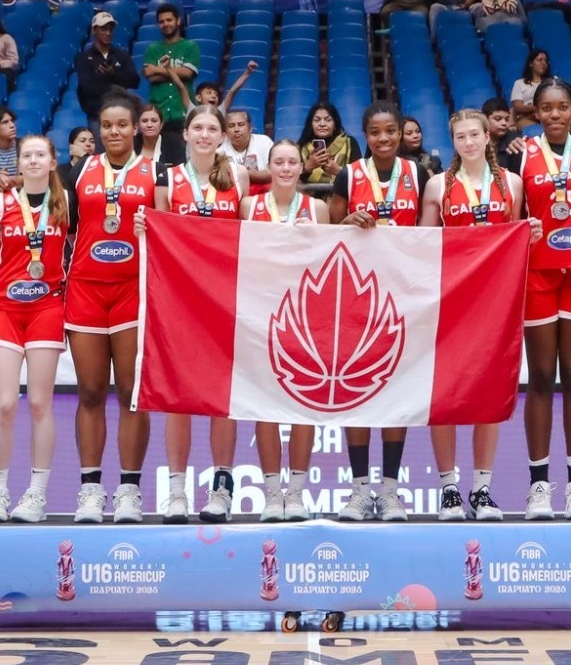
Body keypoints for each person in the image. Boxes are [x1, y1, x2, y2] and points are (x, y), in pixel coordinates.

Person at [419, 109, 522, 523]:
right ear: (453, 142)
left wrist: (528, 234)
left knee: (487, 396)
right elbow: (422, 244)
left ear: (487, 137)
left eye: (474, 135)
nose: (468, 142)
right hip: (451, 302)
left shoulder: (511, 183)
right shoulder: (437, 185)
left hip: (496, 305)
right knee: (444, 397)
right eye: (460, 137)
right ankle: (448, 489)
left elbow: (516, 242)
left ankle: (481, 490)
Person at [507, 79, 571, 522]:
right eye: (546, 108)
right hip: (539, 274)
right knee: (542, 376)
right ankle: (539, 487)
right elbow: (511, 214)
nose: (555, 114)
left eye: (562, 106)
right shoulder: (520, 152)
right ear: (537, 113)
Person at [153, 105, 250, 522]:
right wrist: (144, 228)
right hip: (179, 301)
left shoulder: (238, 176)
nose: (206, 134)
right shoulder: (169, 178)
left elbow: (249, 235)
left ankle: (221, 490)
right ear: (187, 134)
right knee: (178, 397)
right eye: (199, 127)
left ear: (222, 135)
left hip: (225, 299)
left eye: (213, 128)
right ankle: (177, 492)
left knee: (221, 397)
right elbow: (159, 236)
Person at [66, 92, 156, 525]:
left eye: (122, 124)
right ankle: (89, 490)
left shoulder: (156, 171)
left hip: (133, 291)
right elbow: (55, 221)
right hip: (86, 289)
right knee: (90, 392)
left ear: (137, 127)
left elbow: (173, 228)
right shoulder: (79, 170)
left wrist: (151, 227)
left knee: (131, 394)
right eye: (107, 125)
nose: (114, 131)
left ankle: (130, 491)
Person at [329, 101, 422, 521]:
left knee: (394, 393)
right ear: (365, 136)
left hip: (403, 298)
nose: (383, 138)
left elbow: (431, 235)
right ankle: (359, 491)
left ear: (401, 133)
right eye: (375, 132)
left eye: (390, 131)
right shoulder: (348, 175)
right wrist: (347, 221)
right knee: (357, 391)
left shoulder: (419, 173)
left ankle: (389, 492)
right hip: (356, 299)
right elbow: (328, 237)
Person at [0, 135, 67, 525]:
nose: (33, 160)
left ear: (52, 162)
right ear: (18, 163)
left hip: (47, 308)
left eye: (40, 155)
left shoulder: (67, 203)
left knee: (39, 404)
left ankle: (36, 494)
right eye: (27, 155)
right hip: (5, 308)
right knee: (4, 404)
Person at [251, 140, 323, 521]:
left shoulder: (318, 208)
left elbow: (330, 264)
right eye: (278, 162)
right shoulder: (249, 207)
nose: (285, 168)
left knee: (302, 405)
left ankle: (295, 493)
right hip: (260, 316)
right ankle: (271, 493)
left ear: (301, 167)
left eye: (292, 162)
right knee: (265, 406)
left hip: (304, 320)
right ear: (269, 165)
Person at [141, 3, 199, 144]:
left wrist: (157, 69)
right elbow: (151, 77)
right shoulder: (152, 49)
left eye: (169, 20)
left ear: (178, 21)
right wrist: (175, 72)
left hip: (183, 113)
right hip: (159, 115)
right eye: (161, 22)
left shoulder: (190, 46)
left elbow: (187, 73)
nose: (165, 24)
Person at [73, 12, 139, 122]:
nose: (108, 33)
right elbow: (86, 87)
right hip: (96, 115)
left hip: (120, 111)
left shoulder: (122, 55)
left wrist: (113, 74)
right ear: (94, 30)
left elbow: (135, 81)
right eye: (103, 29)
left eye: (110, 29)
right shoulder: (83, 58)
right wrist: (111, 79)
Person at [299, 102, 355, 185]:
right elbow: (291, 180)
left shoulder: (349, 143)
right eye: (317, 120)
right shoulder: (301, 147)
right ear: (311, 124)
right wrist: (307, 168)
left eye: (328, 120)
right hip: (309, 193)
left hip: (342, 193)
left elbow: (360, 176)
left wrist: (339, 171)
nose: (322, 124)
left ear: (335, 124)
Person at [218, 109, 272, 186]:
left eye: (241, 124)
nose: (236, 129)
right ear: (225, 131)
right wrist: (254, 174)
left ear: (250, 127)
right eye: (231, 126)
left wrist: (241, 174)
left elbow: (273, 173)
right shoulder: (220, 151)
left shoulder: (264, 142)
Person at [400, 116, 442, 183]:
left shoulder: (432, 160)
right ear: (400, 137)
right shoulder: (397, 162)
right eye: (409, 133)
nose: (415, 136)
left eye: (418, 131)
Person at [58, 125, 96, 192]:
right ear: (71, 147)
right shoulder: (59, 172)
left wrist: (84, 156)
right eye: (82, 141)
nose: (88, 144)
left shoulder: (99, 170)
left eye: (92, 141)